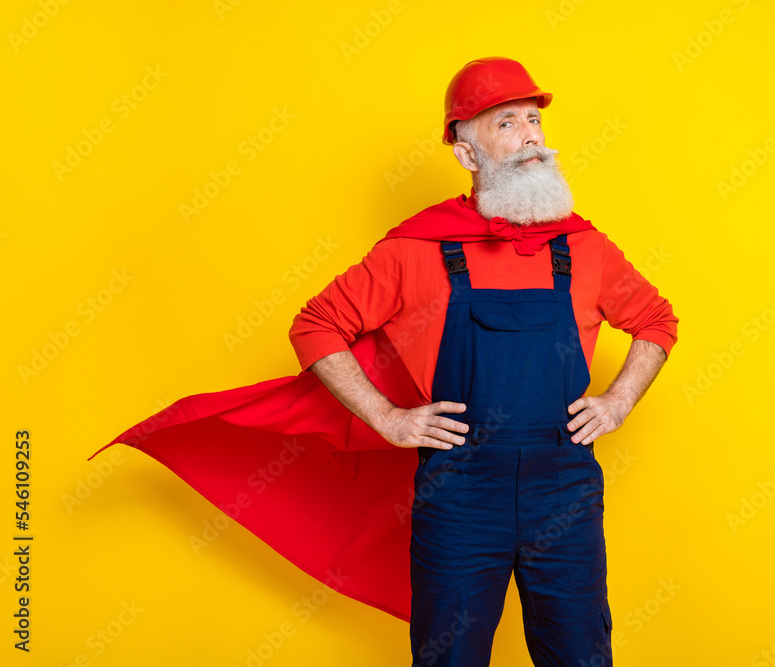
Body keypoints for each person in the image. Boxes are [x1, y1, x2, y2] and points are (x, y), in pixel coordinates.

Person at [89, 56, 677, 667]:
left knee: (582, 657)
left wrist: (619, 400)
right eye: (507, 123)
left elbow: (657, 321)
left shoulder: (582, 246)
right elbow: (316, 326)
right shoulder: (417, 248)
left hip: (565, 491)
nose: (532, 136)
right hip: (462, 496)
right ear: (466, 153)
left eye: (534, 120)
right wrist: (388, 418)